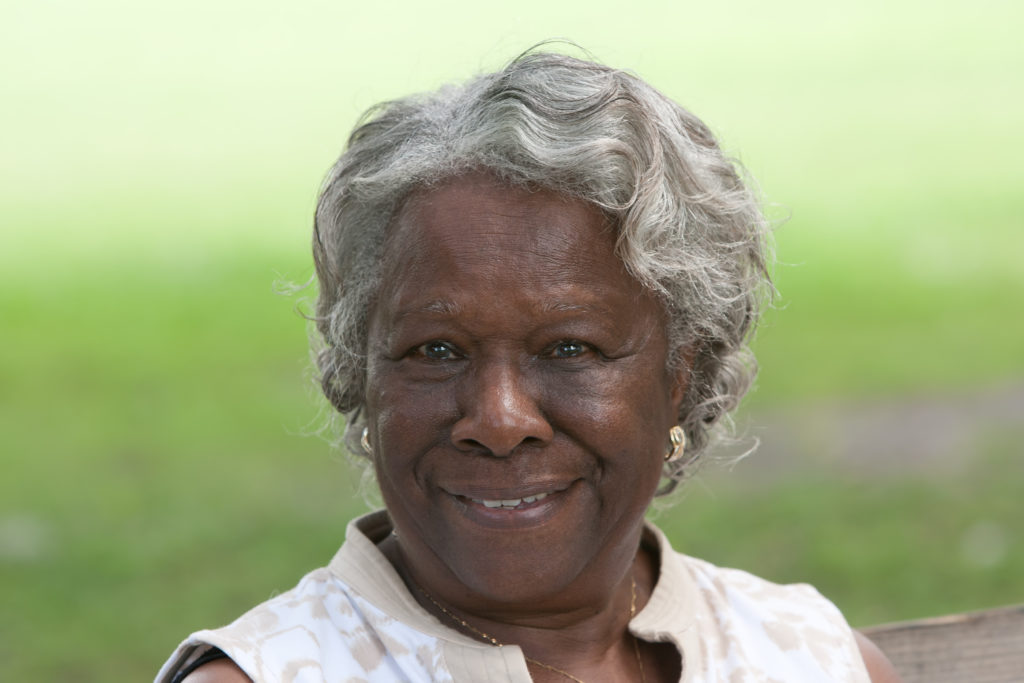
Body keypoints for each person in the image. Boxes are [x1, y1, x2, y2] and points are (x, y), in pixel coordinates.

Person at [157, 47, 901, 682]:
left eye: (569, 349)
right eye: (435, 350)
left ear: (682, 377)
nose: (500, 418)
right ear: (361, 376)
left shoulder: (810, 657)